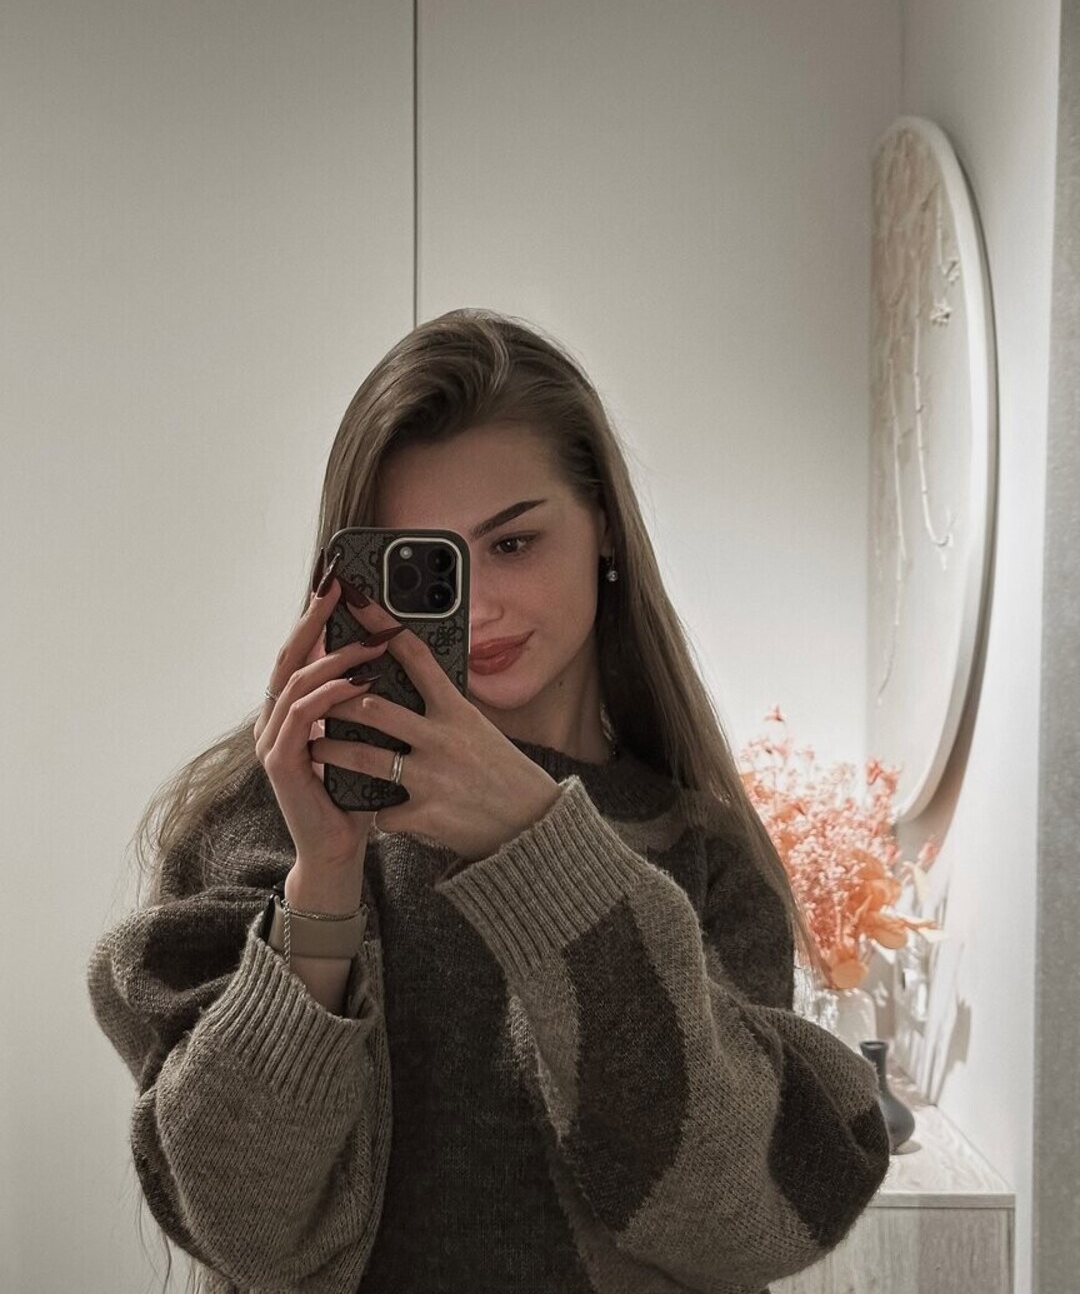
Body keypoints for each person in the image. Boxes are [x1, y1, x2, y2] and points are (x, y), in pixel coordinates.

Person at [86, 308, 890, 1294]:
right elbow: (246, 1228)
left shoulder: (700, 851)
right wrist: (324, 882)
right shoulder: (266, 829)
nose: (481, 606)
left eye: (512, 543)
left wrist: (541, 847)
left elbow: (738, 1220)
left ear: (604, 527)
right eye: (429, 565)